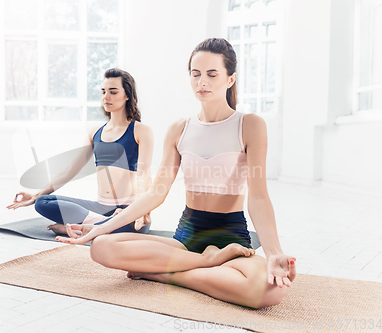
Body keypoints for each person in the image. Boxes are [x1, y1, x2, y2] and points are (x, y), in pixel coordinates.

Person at [56, 38, 296, 309]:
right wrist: (102, 227)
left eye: (212, 74)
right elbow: (156, 193)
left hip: (231, 239)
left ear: (230, 79)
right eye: (195, 74)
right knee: (101, 247)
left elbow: (259, 197)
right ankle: (207, 263)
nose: (201, 82)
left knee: (269, 292)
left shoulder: (249, 125)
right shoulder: (180, 128)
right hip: (186, 240)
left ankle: (161, 274)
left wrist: (274, 252)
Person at [7, 68, 154, 235]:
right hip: (100, 208)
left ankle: (92, 226)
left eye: (113, 92)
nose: (106, 97)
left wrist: (142, 210)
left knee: (136, 227)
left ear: (127, 95)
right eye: (103, 91)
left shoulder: (141, 131)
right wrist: (35, 195)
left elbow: (144, 174)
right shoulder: (95, 133)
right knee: (42, 202)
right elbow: (70, 170)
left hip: (129, 208)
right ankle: (102, 225)